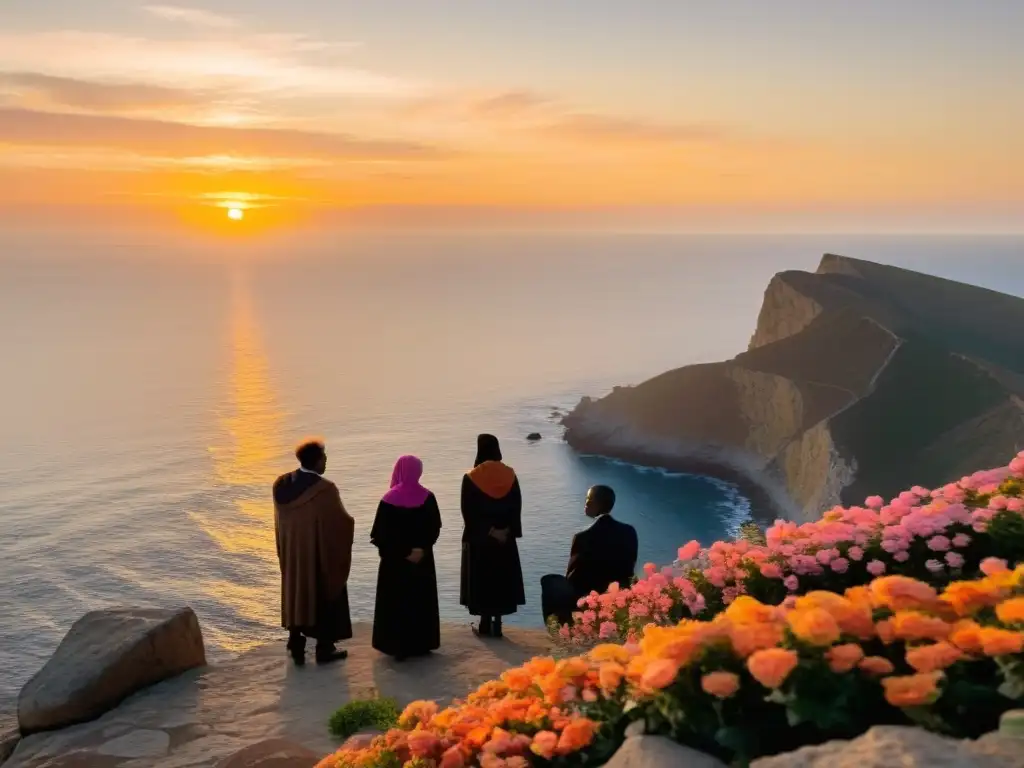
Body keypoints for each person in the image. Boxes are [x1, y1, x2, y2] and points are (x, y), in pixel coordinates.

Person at [273, 438, 354, 666]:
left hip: (292, 555)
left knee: (296, 593)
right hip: (317, 555)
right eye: (324, 458)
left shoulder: (281, 484)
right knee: (327, 591)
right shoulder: (325, 490)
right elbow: (339, 522)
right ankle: (324, 648)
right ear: (317, 461)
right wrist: (351, 523)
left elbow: (282, 522)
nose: (326, 462)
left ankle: (295, 642)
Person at [370, 455, 442, 660]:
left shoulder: (388, 500)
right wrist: (422, 549)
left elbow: (380, 535)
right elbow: (435, 528)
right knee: (420, 600)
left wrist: (402, 552)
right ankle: (422, 643)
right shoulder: (428, 497)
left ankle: (398, 647)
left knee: (397, 602)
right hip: (422, 560)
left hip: (395, 563)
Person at [541, 485, 638, 628]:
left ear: (594, 504)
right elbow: (630, 566)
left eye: (588, 500)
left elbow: (573, 577)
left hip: (590, 597)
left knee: (550, 581)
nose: (585, 504)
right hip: (620, 593)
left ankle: (560, 629)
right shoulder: (629, 531)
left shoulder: (583, 537)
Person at [459, 434, 526, 637]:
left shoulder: (471, 477)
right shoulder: (510, 475)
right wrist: (508, 530)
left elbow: (468, 512)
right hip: (505, 539)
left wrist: (488, 531)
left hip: (481, 540)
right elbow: (516, 506)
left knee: (483, 580)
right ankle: (498, 623)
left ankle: (484, 623)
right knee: (502, 579)